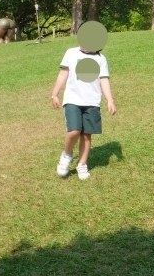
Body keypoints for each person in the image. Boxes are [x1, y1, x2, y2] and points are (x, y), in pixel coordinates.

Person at [50, 39, 117, 180]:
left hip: (92, 102)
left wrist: (110, 100)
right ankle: (67, 155)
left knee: (86, 135)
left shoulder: (100, 59)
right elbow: (63, 74)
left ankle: (82, 164)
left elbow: (104, 80)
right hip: (72, 100)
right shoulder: (71, 53)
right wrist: (54, 94)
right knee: (74, 131)